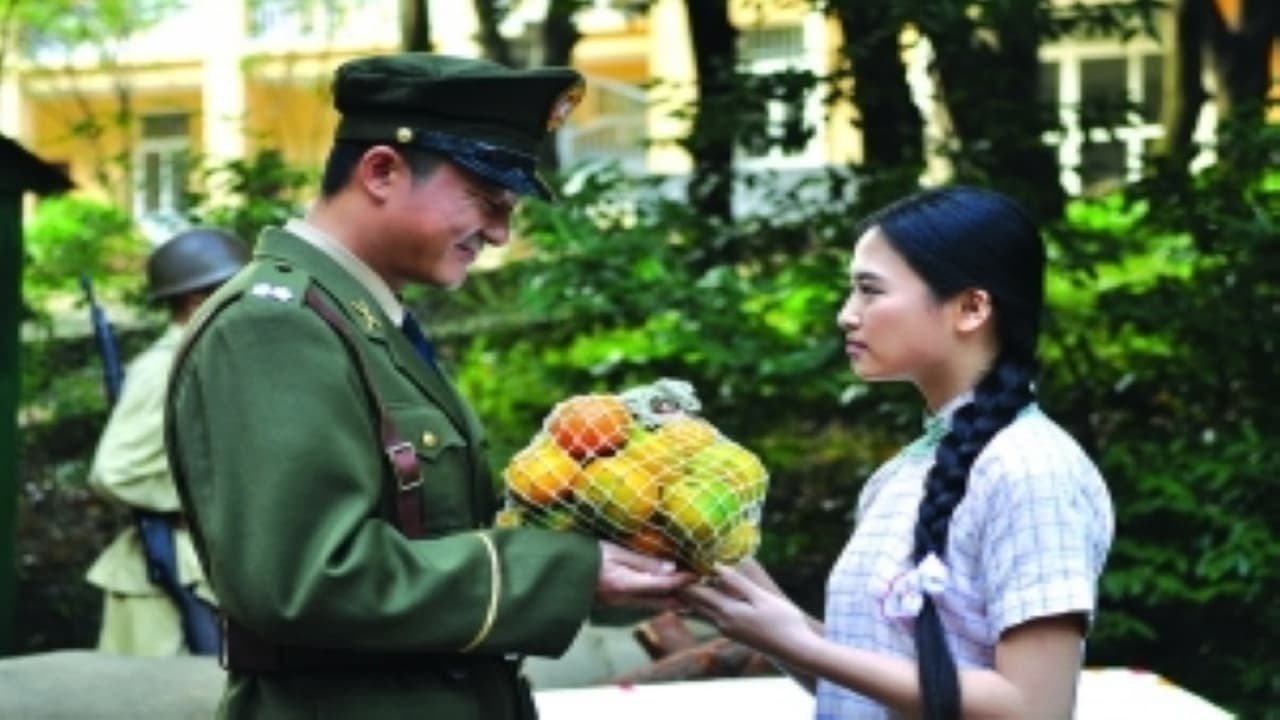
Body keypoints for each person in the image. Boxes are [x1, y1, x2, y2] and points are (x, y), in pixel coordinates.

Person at [162, 52, 692, 719]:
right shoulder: (275, 325)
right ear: (381, 171)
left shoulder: (359, 319)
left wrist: (590, 526)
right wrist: (560, 571)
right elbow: (306, 579)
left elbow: (429, 532)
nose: (499, 233)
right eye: (487, 201)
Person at [681, 186, 1115, 719]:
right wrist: (713, 555)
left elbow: (1033, 709)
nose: (846, 315)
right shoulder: (908, 469)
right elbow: (864, 689)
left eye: (870, 291)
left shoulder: (1031, 469)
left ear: (971, 308)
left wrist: (801, 644)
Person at [86, 227, 249, 656]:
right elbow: (114, 472)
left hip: (209, 560)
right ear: (197, 300)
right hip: (168, 566)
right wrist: (198, 501)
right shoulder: (165, 369)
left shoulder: (209, 358)